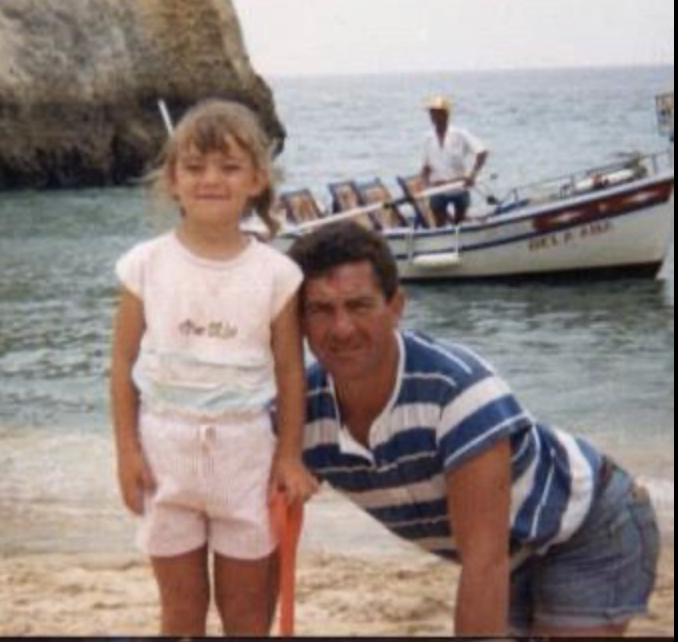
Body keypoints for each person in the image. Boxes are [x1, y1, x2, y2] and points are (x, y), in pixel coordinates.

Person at [287, 221, 660, 638]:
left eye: (359, 306)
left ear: (396, 306)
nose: (341, 328)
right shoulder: (298, 413)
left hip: (589, 526)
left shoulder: (457, 393)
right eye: (320, 309)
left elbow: (484, 561)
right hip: (510, 551)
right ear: (297, 321)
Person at [110, 100, 318, 637]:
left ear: (256, 180)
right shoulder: (145, 265)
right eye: (195, 167)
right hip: (164, 449)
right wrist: (127, 452)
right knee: (180, 614)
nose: (211, 180)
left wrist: (290, 456)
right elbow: (122, 362)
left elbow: (292, 374)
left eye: (229, 167)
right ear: (172, 181)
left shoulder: (276, 274)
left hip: (245, 452)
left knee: (247, 616)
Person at [421, 95, 489, 227]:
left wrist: (472, 176)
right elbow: (426, 168)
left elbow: (482, 152)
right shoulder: (427, 138)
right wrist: (425, 185)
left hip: (459, 187)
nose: (433, 117)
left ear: (446, 114)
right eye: (431, 113)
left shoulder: (460, 134)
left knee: (460, 225)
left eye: (436, 113)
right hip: (438, 189)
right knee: (439, 226)